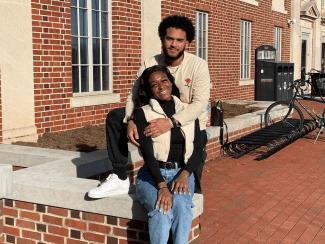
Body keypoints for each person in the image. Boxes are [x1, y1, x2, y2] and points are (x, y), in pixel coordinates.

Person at [88, 15, 210, 198]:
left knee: (192, 180)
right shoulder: (150, 63)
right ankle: (120, 177)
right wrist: (130, 119)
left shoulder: (198, 66)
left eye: (179, 40)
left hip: (189, 122)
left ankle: (193, 217)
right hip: (153, 113)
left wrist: (171, 122)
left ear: (187, 43)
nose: (174, 44)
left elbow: (200, 104)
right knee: (115, 117)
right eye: (169, 38)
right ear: (162, 38)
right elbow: (133, 95)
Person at [134, 65, 200, 244]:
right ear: (149, 90)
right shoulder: (144, 113)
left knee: (181, 206)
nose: (161, 86)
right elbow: (147, 153)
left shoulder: (187, 110)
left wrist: (185, 175)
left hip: (182, 173)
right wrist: (162, 186)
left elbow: (198, 147)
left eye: (164, 80)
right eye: (154, 84)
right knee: (161, 209)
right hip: (152, 175)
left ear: (170, 81)